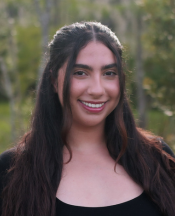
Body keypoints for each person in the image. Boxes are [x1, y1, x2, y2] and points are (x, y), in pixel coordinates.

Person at [0, 21, 175, 216]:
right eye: (80, 73)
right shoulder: (11, 170)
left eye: (109, 73)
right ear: (53, 80)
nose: (97, 90)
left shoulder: (158, 158)